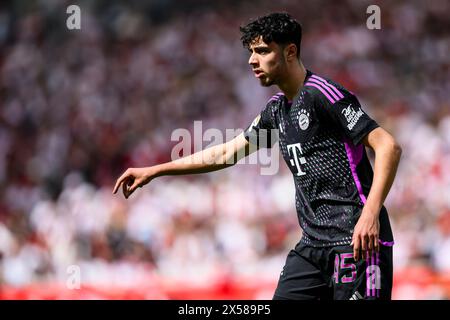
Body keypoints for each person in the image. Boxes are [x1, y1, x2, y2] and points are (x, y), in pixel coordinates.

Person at [113, 12, 402, 300]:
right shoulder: (276, 111)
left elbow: (388, 146)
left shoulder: (323, 96)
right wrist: (155, 170)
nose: (253, 60)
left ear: (290, 52)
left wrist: (370, 213)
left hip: (358, 241)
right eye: (252, 52)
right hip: (312, 248)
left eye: (262, 51)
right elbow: (227, 153)